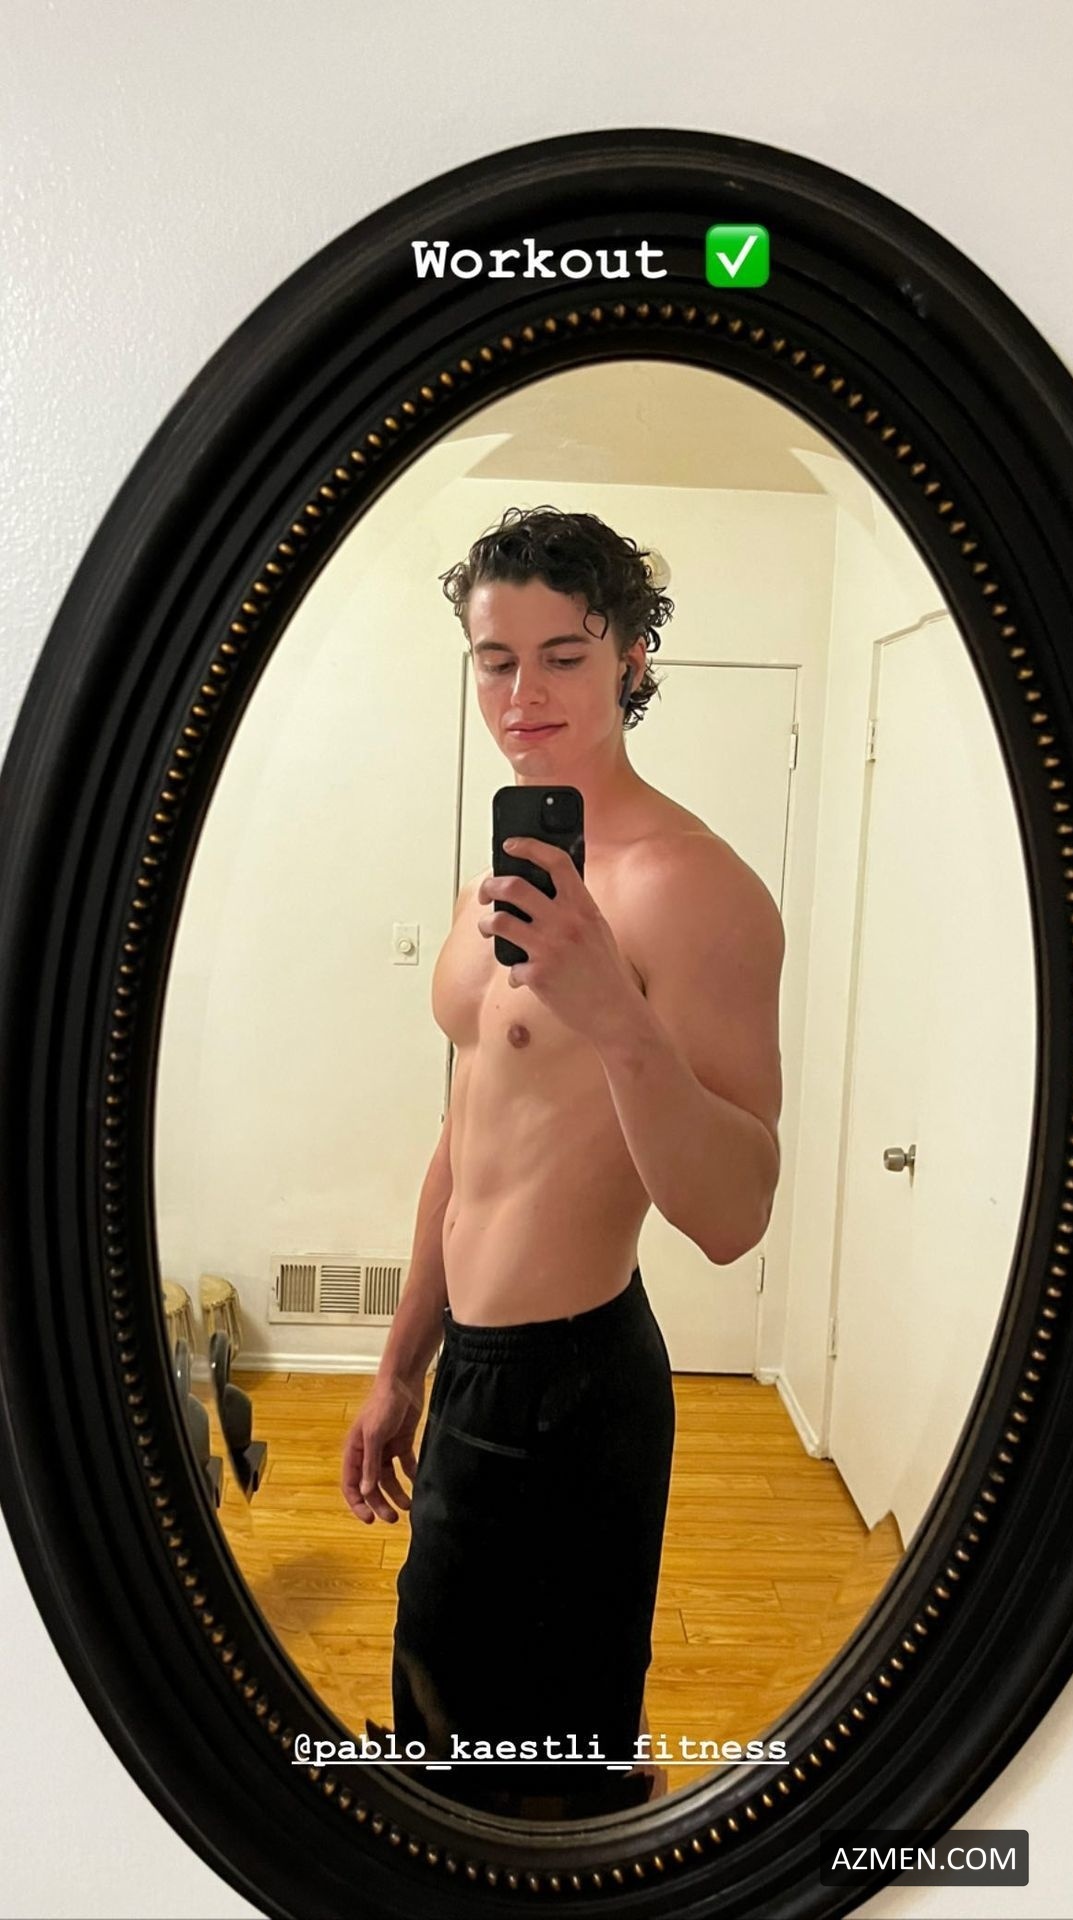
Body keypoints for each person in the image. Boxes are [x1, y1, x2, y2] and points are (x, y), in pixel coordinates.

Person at [341, 505, 785, 1820]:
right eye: (496, 659)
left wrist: (616, 1018)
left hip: (575, 1390)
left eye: (563, 656)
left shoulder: (698, 890)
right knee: (439, 1734)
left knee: (555, 1785)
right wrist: (400, 1365)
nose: (522, 693)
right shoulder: (506, 882)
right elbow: (468, 1134)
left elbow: (736, 1212)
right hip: (471, 1372)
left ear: (633, 657)